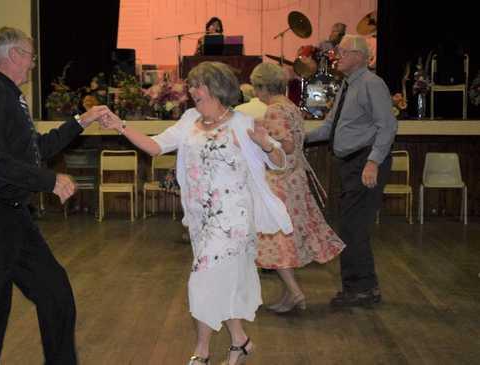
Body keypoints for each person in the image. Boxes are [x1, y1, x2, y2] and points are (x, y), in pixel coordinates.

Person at [100, 61, 293, 365]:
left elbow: (281, 162)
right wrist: (120, 125)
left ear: (217, 88)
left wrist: (265, 145)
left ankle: (201, 352)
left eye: (197, 85)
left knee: (202, 279)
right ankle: (240, 341)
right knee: (220, 281)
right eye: (190, 86)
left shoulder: (242, 123)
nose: (191, 91)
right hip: (199, 217)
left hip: (233, 219)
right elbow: (154, 147)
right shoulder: (190, 119)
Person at [0, 27, 111, 364]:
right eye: (30, 55)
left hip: (10, 215)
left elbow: (34, 150)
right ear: (14, 55)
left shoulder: (7, 95)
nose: (33, 63)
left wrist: (81, 121)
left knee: (54, 294)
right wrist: (49, 181)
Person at [245, 63, 345, 313]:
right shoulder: (290, 107)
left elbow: (286, 146)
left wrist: (257, 139)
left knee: (277, 238)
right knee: (283, 238)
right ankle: (290, 294)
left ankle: (295, 292)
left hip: (281, 181)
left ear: (263, 87)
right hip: (295, 178)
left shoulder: (274, 111)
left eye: (257, 87)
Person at [306, 34, 397, 307]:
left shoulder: (372, 84)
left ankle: (363, 289)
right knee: (350, 226)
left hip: (364, 162)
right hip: (352, 164)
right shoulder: (347, 86)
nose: (337, 56)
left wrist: (373, 162)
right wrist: (297, 137)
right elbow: (328, 129)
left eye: (343, 52)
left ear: (358, 56)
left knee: (352, 227)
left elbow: (388, 126)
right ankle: (361, 288)